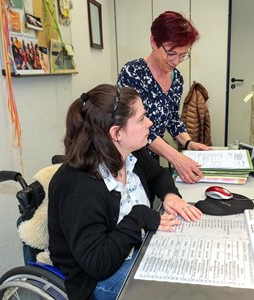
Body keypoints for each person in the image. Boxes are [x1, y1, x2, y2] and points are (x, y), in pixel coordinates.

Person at [48, 84, 202, 300]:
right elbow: (98, 264)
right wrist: (138, 217)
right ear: (116, 133)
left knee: (191, 269)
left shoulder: (133, 154)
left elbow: (158, 175)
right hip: (95, 280)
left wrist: (170, 195)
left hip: (135, 250)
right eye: (141, 119)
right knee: (175, 291)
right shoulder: (78, 185)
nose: (150, 123)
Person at [117, 11, 211, 184]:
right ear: (154, 42)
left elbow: (173, 119)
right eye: (172, 53)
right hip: (129, 158)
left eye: (183, 54)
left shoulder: (177, 79)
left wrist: (188, 142)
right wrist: (175, 157)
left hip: (154, 156)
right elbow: (132, 125)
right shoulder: (133, 73)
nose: (177, 61)